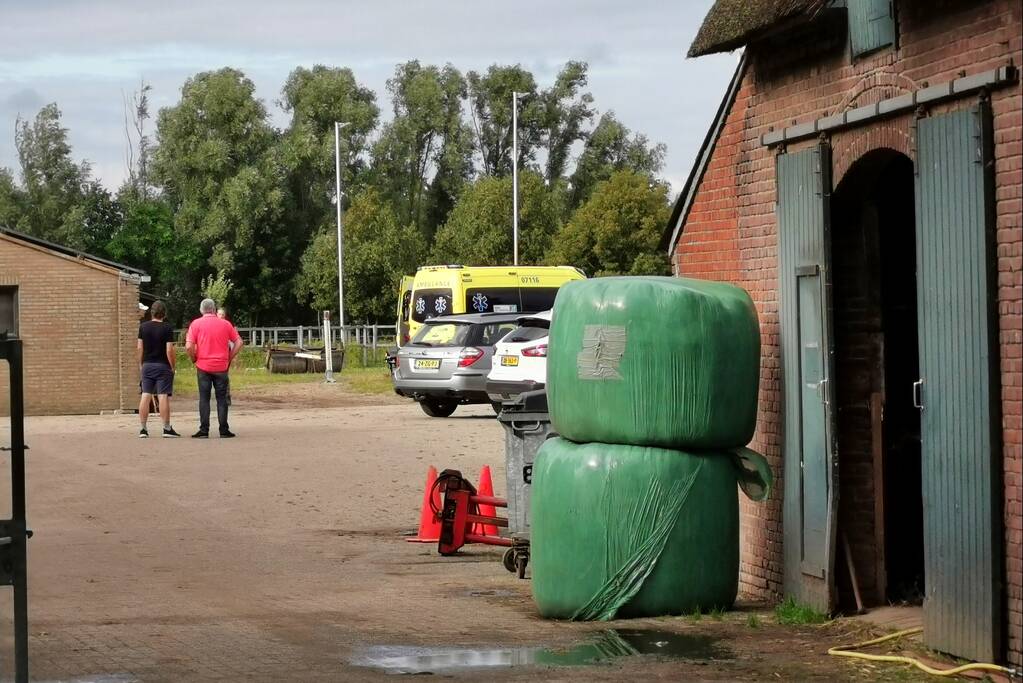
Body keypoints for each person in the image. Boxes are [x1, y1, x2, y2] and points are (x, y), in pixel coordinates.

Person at [185, 298, 243, 438]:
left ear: (201, 309)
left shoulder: (196, 324)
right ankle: (223, 429)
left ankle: (204, 430)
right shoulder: (225, 324)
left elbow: (188, 346)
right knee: (221, 398)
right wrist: (229, 357)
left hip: (203, 365)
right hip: (221, 366)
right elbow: (239, 342)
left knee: (204, 398)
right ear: (214, 309)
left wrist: (194, 358)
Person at [137, 300, 180, 438]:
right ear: (164, 314)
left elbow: (139, 347)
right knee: (163, 396)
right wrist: (172, 366)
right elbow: (169, 350)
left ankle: (143, 429)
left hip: (147, 365)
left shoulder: (143, 327)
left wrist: (141, 364)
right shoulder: (167, 328)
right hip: (162, 365)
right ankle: (166, 428)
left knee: (145, 394)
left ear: (152, 312)